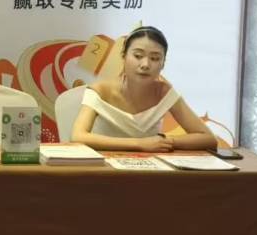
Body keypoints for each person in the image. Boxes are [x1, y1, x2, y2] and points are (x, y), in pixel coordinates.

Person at [71, 26, 218, 152]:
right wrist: (140, 144)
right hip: (105, 169)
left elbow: (208, 139)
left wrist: (166, 141)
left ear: (163, 64)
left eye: (155, 58)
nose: (145, 65)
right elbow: (78, 136)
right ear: (123, 56)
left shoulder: (164, 92)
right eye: (138, 56)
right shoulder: (100, 90)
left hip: (148, 169)